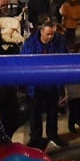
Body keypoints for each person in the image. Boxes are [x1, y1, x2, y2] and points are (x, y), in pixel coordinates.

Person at [20, 20, 68, 150]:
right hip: (36, 85)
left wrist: (62, 87)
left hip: (52, 84)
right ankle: (35, 138)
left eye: (52, 34)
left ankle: (53, 135)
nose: (50, 37)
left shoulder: (60, 42)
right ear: (41, 32)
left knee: (53, 112)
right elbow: (23, 62)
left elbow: (65, 61)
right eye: (48, 34)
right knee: (35, 113)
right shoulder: (30, 43)